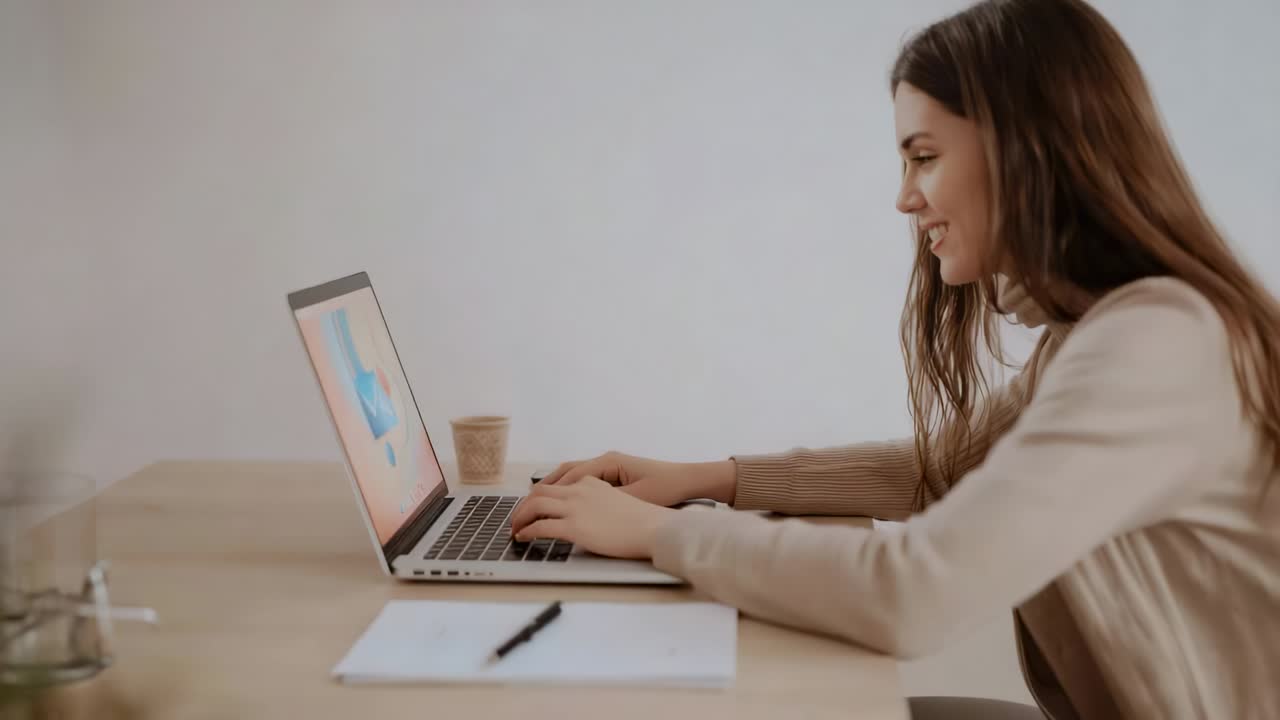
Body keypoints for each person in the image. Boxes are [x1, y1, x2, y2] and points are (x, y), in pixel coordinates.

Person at [509, 0, 1280, 717]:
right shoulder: (1095, 334)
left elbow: (914, 593)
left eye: (923, 156)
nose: (905, 198)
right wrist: (705, 480)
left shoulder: (1159, 345)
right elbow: (938, 469)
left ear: (1024, 149)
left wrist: (654, 534)